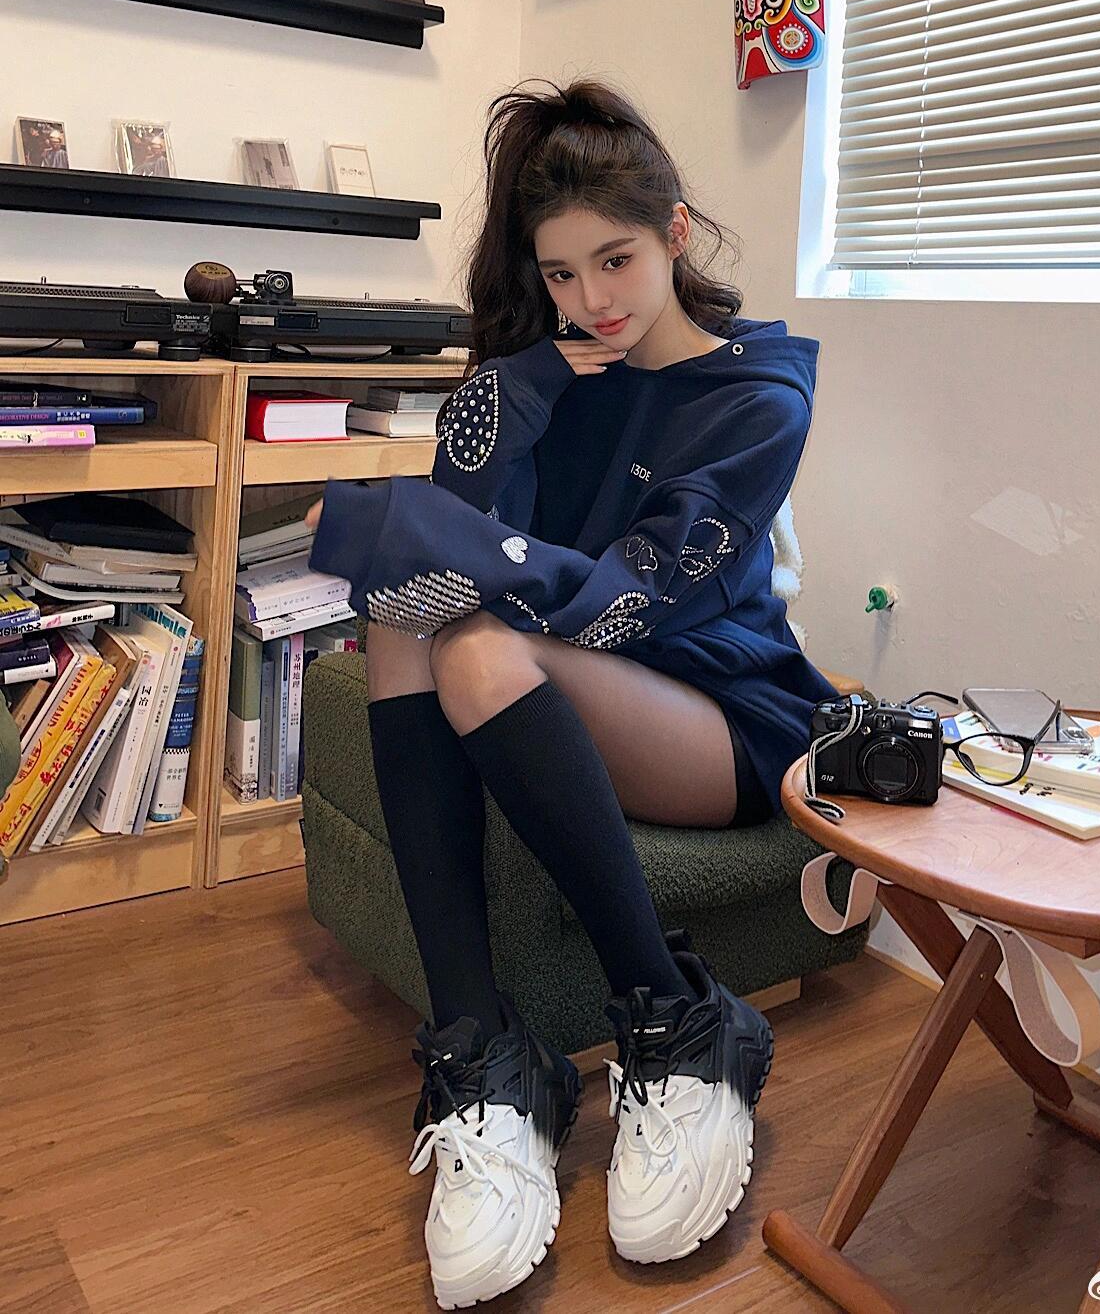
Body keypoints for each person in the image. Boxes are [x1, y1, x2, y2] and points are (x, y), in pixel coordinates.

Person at [305, 78, 839, 1309]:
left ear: (676, 233)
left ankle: (678, 1017)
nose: (592, 297)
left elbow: (627, 602)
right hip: (572, 682)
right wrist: (532, 382)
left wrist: (449, 550)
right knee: (405, 610)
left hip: (719, 717)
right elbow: (458, 518)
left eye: (616, 259)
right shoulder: (554, 369)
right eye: (559, 272)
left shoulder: (757, 394)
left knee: (473, 638)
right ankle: (485, 1055)